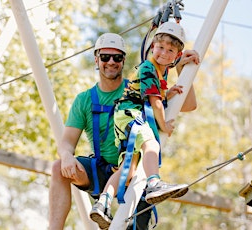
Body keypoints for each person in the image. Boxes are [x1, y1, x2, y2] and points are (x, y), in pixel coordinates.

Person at [89, 21, 200, 229]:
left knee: (127, 170)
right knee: (152, 145)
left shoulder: (161, 70)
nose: (164, 54)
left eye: (170, 50)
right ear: (152, 47)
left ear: (176, 54)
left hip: (124, 117)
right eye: (160, 48)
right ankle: (154, 183)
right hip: (131, 113)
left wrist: (176, 78)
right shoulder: (149, 68)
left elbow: (157, 93)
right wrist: (164, 125)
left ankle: (103, 203)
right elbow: (154, 102)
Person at [48, 33, 153, 230]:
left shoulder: (135, 91)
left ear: (123, 61)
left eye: (117, 57)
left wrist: (182, 65)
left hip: (134, 173)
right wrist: (66, 156)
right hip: (101, 172)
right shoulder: (84, 100)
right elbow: (66, 142)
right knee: (58, 167)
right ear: (97, 59)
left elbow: (186, 105)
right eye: (105, 57)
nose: (111, 62)